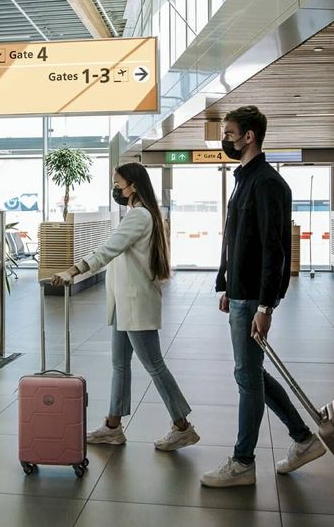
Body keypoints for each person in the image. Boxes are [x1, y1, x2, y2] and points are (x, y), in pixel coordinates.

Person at [200, 106, 326, 488]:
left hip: (254, 297)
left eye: (230, 133)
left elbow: (274, 249)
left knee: (247, 377)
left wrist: (265, 304)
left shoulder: (268, 183)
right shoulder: (244, 180)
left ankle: (243, 461)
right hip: (241, 292)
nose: (226, 139)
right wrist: (226, 283)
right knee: (250, 373)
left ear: (249, 136)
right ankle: (302, 439)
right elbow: (235, 238)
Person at [52, 162, 199, 452]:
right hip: (125, 303)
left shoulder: (139, 216)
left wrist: (74, 270)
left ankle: (182, 426)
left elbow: (109, 249)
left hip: (136, 303)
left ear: (132, 185)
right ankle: (112, 426)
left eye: (118, 184)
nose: (115, 189)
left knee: (154, 365)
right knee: (120, 365)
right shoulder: (141, 214)